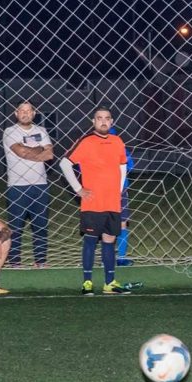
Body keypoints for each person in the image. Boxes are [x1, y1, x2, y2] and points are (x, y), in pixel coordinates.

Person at [60, 106, 130, 295]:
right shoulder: (86, 141)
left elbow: (122, 166)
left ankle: (110, 283)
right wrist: (78, 189)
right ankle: (87, 282)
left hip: (112, 203)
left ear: (112, 122)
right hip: (92, 203)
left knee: (109, 241)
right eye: (99, 118)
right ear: (93, 121)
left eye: (107, 118)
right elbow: (64, 164)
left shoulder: (118, 141)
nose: (103, 121)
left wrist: (119, 190)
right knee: (90, 240)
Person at [2, 100, 54, 268]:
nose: (25, 113)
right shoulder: (10, 131)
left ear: (34, 113)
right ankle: (15, 262)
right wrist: (39, 148)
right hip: (17, 186)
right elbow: (21, 152)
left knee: (40, 226)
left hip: (40, 185)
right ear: (16, 113)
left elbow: (49, 155)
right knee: (16, 227)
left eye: (28, 110)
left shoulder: (42, 130)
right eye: (21, 110)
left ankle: (40, 261)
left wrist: (30, 150)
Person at [109, 125, 134, 266]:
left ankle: (121, 257)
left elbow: (130, 165)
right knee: (106, 225)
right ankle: (108, 256)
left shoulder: (122, 150)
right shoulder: (94, 149)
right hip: (103, 191)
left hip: (121, 190)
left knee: (122, 224)